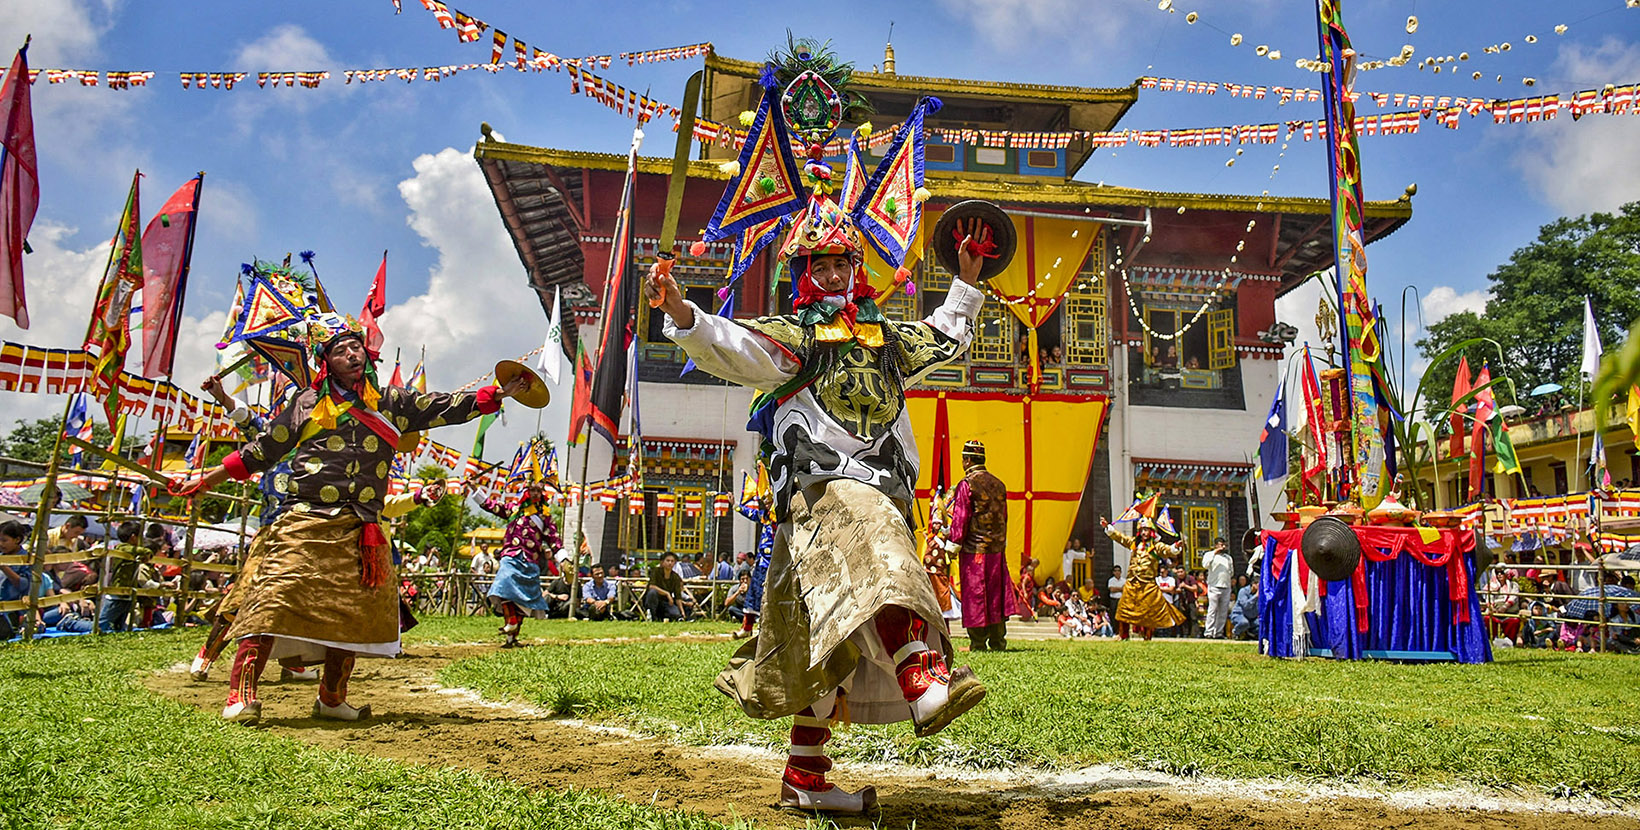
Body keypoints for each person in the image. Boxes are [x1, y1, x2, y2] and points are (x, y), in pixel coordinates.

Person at [649, 161, 990, 810]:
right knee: (873, 540)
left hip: (862, 502)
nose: (834, 274)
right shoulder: (796, 338)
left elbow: (944, 337)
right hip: (823, 498)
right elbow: (732, 344)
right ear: (803, 276)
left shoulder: (885, 339)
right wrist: (683, 314)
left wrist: (966, 282)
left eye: (842, 263)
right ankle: (922, 676)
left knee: (819, 651)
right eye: (821, 265)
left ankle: (805, 782)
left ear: (856, 268)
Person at [174, 311, 527, 722]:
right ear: (327, 361)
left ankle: (332, 698)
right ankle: (242, 695)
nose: (351, 354)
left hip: (362, 526)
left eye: (355, 346)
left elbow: (443, 408)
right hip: (303, 520)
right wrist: (207, 477)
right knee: (270, 600)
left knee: (350, 615)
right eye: (340, 350)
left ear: (366, 354)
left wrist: (499, 395)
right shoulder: (305, 403)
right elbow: (262, 451)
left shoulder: (394, 403)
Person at [949, 440, 1014, 651]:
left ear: (967, 460)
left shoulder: (967, 485)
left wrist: (953, 544)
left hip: (974, 550)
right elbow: (1004, 517)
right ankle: (998, 641)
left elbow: (961, 518)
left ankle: (977, 643)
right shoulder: (999, 484)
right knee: (995, 595)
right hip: (996, 549)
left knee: (976, 595)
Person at [483, 481, 562, 648]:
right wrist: (475, 490)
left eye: (538, 491)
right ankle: (510, 622)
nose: (534, 493)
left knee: (523, 601)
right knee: (502, 585)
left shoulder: (545, 516)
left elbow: (554, 540)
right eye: (531, 490)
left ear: (542, 493)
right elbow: (492, 506)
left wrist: (564, 559)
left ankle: (512, 638)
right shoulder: (514, 509)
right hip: (510, 556)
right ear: (526, 491)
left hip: (531, 561)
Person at [1103, 517, 1184, 641]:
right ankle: (1123, 635)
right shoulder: (1134, 543)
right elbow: (1121, 538)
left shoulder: (1157, 546)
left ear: (1151, 531)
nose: (1144, 533)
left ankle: (1147, 635)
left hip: (1148, 584)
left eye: (1146, 530)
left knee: (1148, 612)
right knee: (1123, 609)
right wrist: (1108, 527)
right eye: (1142, 530)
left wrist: (1176, 546)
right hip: (1132, 582)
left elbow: (1168, 551)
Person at [735, 479, 776, 640]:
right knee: (753, 595)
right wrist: (735, 506)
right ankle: (747, 628)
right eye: (764, 502)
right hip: (761, 563)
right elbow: (750, 513)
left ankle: (766, 629)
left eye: (769, 501)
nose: (766, 504)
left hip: (775, 563)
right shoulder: (764, 517)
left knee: (770, 598)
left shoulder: (778, 519)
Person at [98, 520, 149, 633]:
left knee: (118, 626)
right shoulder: (122, 548)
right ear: (133, 537)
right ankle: (72, 622)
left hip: (126, 593)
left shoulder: (132, 552)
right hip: (117, 592)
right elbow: (136, 550)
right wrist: (147, 552)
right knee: (102, 624)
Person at [1201, 537, 1233, 639]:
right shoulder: (1209, 555)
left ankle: (1219, 632)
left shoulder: (1228, 558)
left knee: (1223, 611)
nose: (1222, 546)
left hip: (1226, 586)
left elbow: (1231, 571)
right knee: (1212, 609)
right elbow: (1205, 565)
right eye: (1219, 544)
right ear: (1215, 545)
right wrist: (1215, 552)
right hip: (1214, 586)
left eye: (1223, 544)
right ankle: (1209, 632)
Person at [643, 552, 688, 622]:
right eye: (667, 560)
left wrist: (682, 612)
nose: (670, 563)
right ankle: (651, 616)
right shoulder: (656, 571)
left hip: (666, 602)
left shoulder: (675, 577)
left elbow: (678, 596)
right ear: (662, 562)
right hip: (653, 599)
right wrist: (667, 593)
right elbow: (652, 586)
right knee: (652, 592)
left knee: (675, 613)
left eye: (672, 561)